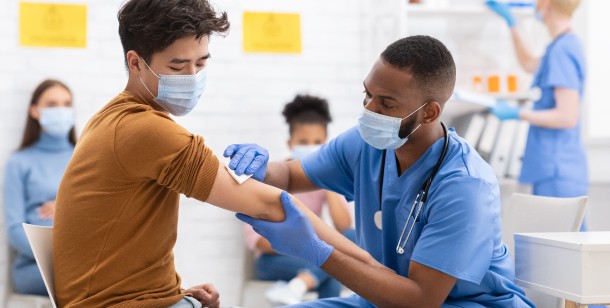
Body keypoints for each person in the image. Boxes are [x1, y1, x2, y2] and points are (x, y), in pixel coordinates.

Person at [51, 1, 379, 307]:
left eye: (201, 63)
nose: (193, 77)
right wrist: (373, 269)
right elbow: (268, 204)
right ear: (135, 62)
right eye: (178, 66)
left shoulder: (112, 119)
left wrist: (171, 292)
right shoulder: (145, 130)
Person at [226, 35, 535, 307]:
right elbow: (291, 176)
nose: (369, 109)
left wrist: (317, 252)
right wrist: (263, 168)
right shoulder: (364, 145)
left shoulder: (465, 186)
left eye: (386, 104)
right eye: (367, 95)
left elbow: (420, 300)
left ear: (429, 112)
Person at [244, 94, 356, 305]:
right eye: (303, 142)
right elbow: (257, 241)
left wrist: (326, 181)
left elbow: (345, 228)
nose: (311, 147)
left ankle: (300, 285)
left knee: (352, 240)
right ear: (290, 143)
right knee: (333, 266)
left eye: (318, 143)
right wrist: (306, 245)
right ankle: (302, 282)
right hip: (272, 261)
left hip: (309, 255)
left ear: (326, 144)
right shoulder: (269, 176)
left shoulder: (324, 178)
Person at [486, 0, 588, 229]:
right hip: (554, 166)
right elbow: (529, 63)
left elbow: (567, 116)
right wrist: (511, 22)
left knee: (563, 247)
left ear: (547, 4)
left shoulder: (563, 50)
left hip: (557, 167)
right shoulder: (560, 46)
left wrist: (519, 114)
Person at [3, 79, 76, 295]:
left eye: (66, 104)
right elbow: (14, 229)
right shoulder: (20, 162)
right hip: (34, 267)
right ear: (35, 111)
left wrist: (64, 206)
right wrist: (58, 256)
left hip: (82, 260)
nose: (61, 110)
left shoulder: (84, 157)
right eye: (52, 105)